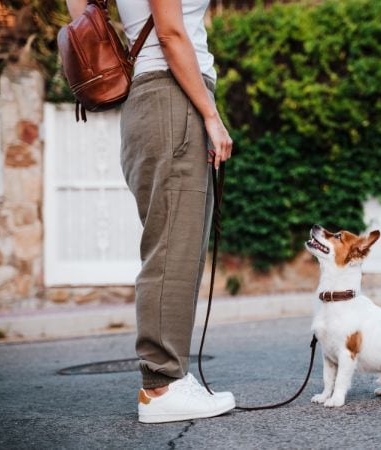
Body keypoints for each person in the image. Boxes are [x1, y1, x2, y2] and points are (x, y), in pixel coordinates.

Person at [66, 0, 235, 423]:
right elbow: (171, 33)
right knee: (174, 247)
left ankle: (169, 377)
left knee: (174, 241)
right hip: (171, 95)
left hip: (151, 99)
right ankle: (162, 385)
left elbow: (77, 10)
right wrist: (211, 116)